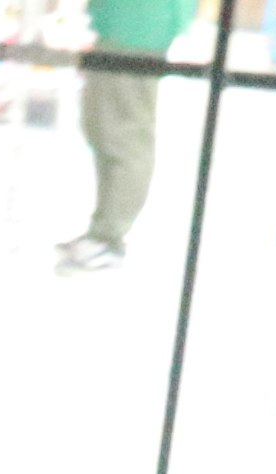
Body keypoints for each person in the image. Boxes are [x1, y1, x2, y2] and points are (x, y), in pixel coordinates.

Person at [60, 0, 194, 272]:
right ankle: (103, 231)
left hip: (139, 28)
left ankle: (109, 236)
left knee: (124, 130)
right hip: (118, 23)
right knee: (101, 125)